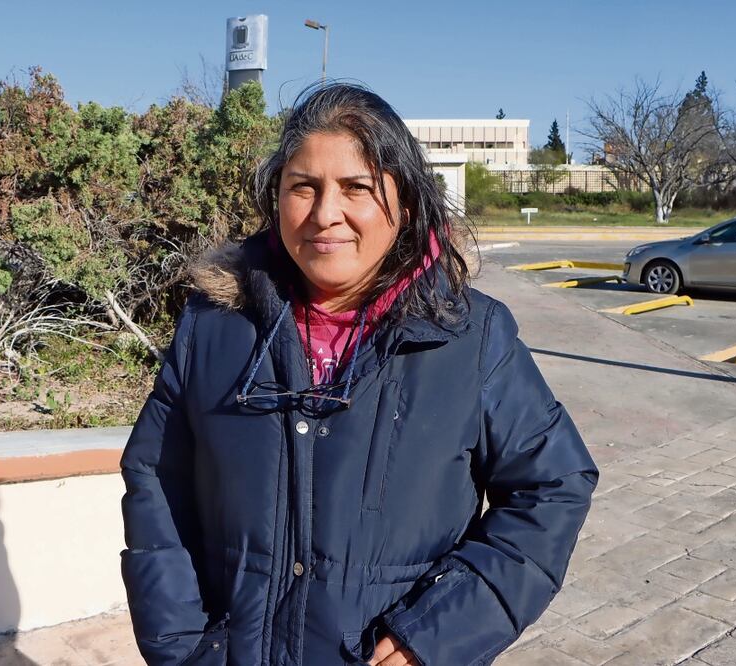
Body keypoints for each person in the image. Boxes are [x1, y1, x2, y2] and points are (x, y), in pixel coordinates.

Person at [120, 82, 598, 666]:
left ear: (406, 203)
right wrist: (181, 647)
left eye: (357, 188)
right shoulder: (214, 329)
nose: (326, 214)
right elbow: (155, 480)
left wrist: (435, 636)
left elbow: (553, 487)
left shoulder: (472, 337)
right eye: (304, 187)